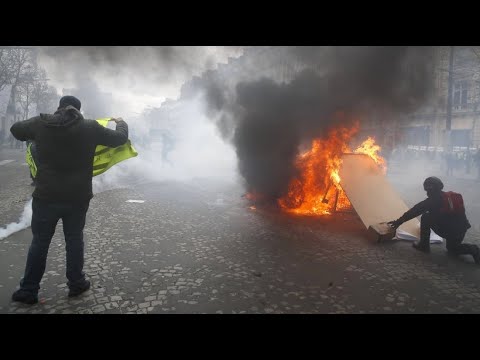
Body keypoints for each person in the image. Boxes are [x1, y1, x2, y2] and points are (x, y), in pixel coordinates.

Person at [9, 95, 128, 304]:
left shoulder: (41, 123)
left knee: (40, 242)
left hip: (46, 197)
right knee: (74, 240)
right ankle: (76, 283)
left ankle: (28, 290)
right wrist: (121, 122)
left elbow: (16, 130)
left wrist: (36, 125)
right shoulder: (90, 127)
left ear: (59, 107)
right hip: (77, 198)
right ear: (78, 110)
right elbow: (120, 139)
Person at [388, 176, 479, 264]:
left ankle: (424, 245)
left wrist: (398, 222)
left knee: (426, 217)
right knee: (452, 249)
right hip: (461, 230)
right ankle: (473, 249)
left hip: (449, 230)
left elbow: (413, 212)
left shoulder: (431, 201)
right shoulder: (449, 197)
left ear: (428, 189)